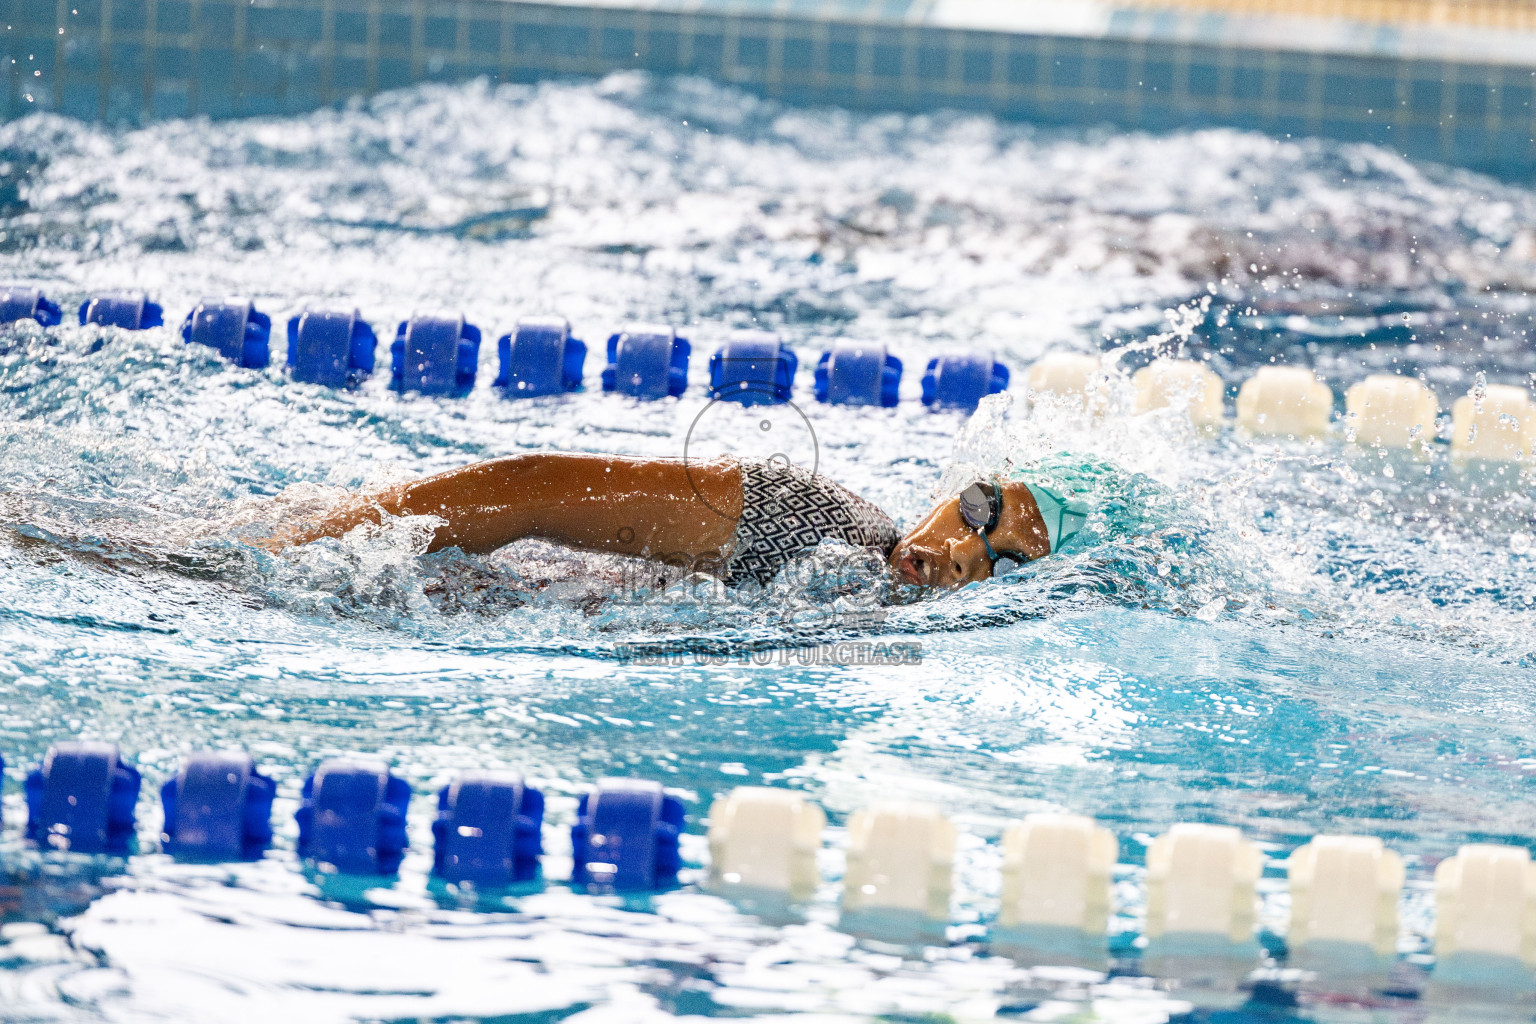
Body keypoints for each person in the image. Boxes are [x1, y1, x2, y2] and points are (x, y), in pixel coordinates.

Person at [265, 450, 1087, 590]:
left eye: (1006, 562)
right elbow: (529, 488)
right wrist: (286, 552)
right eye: (981, 510)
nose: (959, 550)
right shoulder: (811, 518)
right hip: (379, 590)